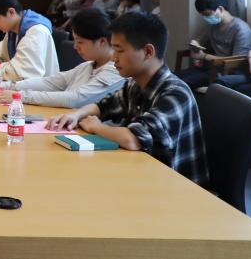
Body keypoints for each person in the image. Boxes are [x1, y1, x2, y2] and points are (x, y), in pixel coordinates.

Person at [47, 12, 208, 186]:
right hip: (144, 173)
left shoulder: (175, 94)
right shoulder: (135, 84)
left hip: (176, 187)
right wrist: (75, 115)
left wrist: (96, 127)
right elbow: (103, 106)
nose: (113, 57)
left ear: (148, 52)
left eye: (119, 50)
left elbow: (133, 140)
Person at [0, 9, 123, 108]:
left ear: (102, 42)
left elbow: (75, 98)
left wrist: (21, 96)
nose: (75, 47)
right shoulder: (88, 66)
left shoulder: (114, 71)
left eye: (80, 42)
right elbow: (51, 82)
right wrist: (7, 86)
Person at [178, 0, 251, 94]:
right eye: (203, 15)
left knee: (183, 83)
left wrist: (204, 56)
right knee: (174, 77)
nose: (206, 18)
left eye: (207, 14)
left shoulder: (241, 30)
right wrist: (195, 43)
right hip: (210, 68)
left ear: (220, 9)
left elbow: (236, 62)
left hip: (227, 72)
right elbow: (199, 39)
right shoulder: (214, 26)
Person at [0, 0, 59, 81]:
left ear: (11, 12)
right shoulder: (13, 28)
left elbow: (25, 74)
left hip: (39, 88)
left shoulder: (35, 32)